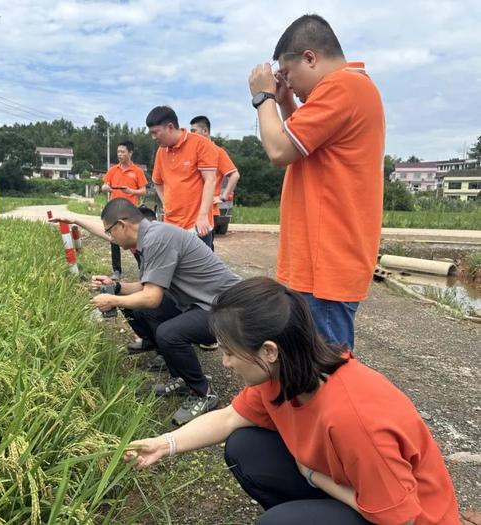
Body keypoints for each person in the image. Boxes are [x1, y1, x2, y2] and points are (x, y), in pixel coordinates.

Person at [124, 277, 460, 525]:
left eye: (229, 352)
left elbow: (399, 518)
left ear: (269, 350)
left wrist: (314, 477)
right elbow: (228, 419)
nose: (224, 363)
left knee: (278, 523)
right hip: (357, 490)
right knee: (245, 446)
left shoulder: (353, 418)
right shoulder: (283, 375)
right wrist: (164, 445)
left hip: (411, 519)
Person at [247, 14, 385, 350]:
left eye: (289, 73)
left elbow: (279, 149)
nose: (288, 82)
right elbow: (303, 144)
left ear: (310, 57)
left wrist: (262, 98)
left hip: (327, 265)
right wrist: (283, 101)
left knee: (326, 373)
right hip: (321, 262)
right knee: (311, 364)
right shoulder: (351, 88)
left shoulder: (342, 86)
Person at [51, 198, 241, 426]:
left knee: (169, 333)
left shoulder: (156, 240)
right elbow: (147, 287)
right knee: (142, 311)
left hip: (227, 309)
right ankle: (181, 378)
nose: (110, 238)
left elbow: (151, 298)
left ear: (122, 225)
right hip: (200, 304)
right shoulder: (148, 238)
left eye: (111, 232)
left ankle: (202, 393)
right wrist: (117, 288)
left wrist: (111, 298)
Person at [146, 106, 218, 248]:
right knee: (174, 269)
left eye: (155, 132)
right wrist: (166, 203)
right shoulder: (161, 152)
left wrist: (203, 216)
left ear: (170, 127)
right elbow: (157, 182)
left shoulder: (200, 144)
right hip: (172, 225)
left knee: (199, 270)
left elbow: (210, 180)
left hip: (197, 226)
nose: (153, 137)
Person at [101, 140, 148, 280]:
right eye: (118, 152)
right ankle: (116, 270)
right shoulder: (112, 170)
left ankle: (143, 267)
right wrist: (106, 188)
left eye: (123, 152)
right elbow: (104, 185)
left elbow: (144, 191)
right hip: (114, 210)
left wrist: (131, 191)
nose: (120, 155)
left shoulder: (137, 171)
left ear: (130, 153)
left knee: (134, 240)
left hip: (130, 212)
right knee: (114, 240)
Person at [189, 115, 241, 227]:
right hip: (190, 210)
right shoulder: (192, 152)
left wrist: (223, 196)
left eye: (193, 131)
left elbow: (235, 175)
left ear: (205, 131)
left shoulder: (217, 152)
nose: (191, 135)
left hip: (207, 211)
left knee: (204, 244)